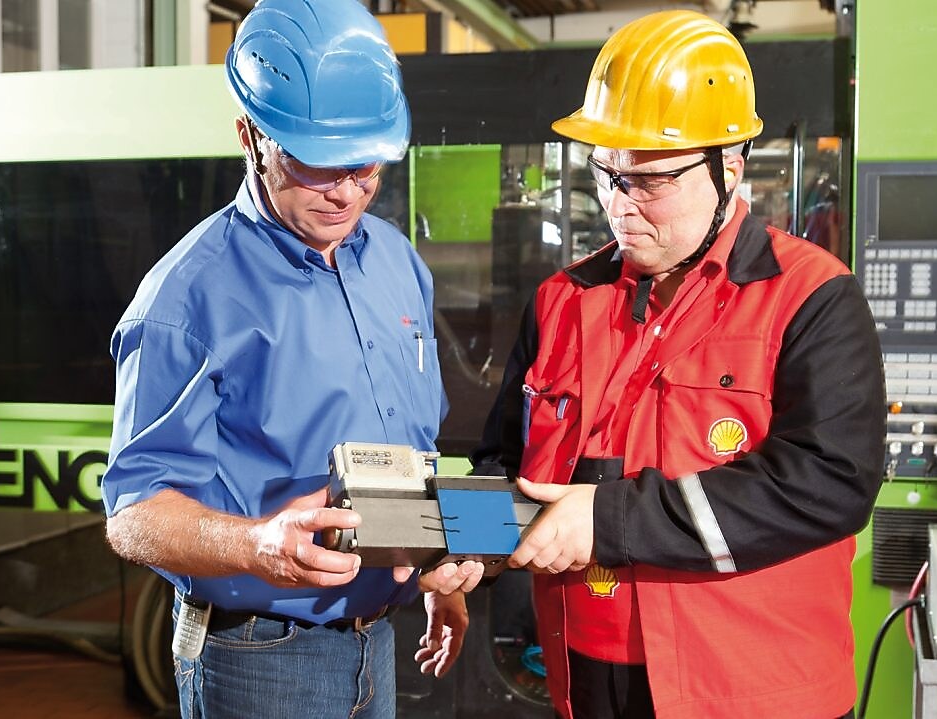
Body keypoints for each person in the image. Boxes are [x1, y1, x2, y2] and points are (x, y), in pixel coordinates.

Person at [471, 10, 885, 719]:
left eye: (651, 181)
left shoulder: (810, 296)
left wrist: (610, 519)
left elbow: (831, 482)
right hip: (586, 679)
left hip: (749, 692)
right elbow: (504, 463)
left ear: (730, 165)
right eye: (606, 174)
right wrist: (461, 548)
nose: (620, 207)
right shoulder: (560, 301)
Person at [100, 2, 482, 717]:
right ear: (250, 135)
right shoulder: (186, 298)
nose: (346, 191)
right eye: (316, 164)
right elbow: (133, 513)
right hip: (260, 656)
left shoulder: (397, 262)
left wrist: (434, 564)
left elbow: (412, 447)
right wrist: (257, 544)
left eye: (365, 164)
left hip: (379, 635)